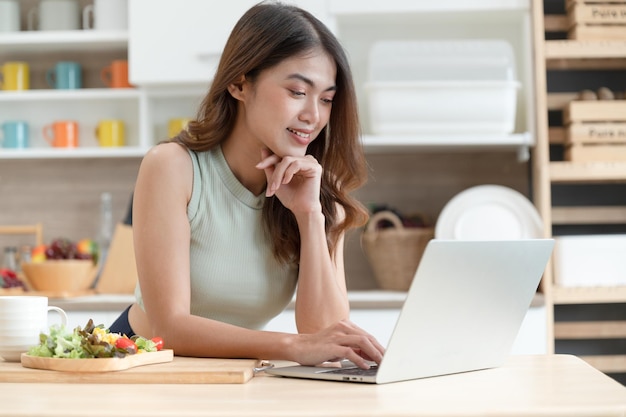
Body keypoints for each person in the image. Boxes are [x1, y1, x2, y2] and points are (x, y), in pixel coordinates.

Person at [109, 1, 384, 369]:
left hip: (236, 372)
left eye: (327, 99)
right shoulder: (173, 168)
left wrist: (310, 215)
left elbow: (325, 332)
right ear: (240, 83)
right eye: (298, 92)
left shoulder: (317, 193)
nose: (313, 115)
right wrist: (291, 346)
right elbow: (168, 328)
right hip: (140, 363)